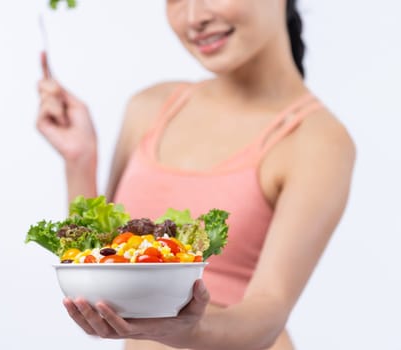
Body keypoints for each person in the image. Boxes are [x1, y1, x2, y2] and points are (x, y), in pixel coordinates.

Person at [36, 0, 356, 349]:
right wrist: (79, 160)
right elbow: (100, 256)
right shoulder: (151, 107)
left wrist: (185, 331)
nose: (193, 17)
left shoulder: (317, 139)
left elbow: (268, 314)